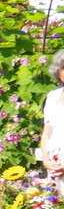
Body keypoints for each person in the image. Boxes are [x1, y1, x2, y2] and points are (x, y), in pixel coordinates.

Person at [41, 49, 64, 191]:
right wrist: (46, 160)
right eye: (63, 67)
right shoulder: (52, 96)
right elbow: (47, 133)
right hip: (55, 163)